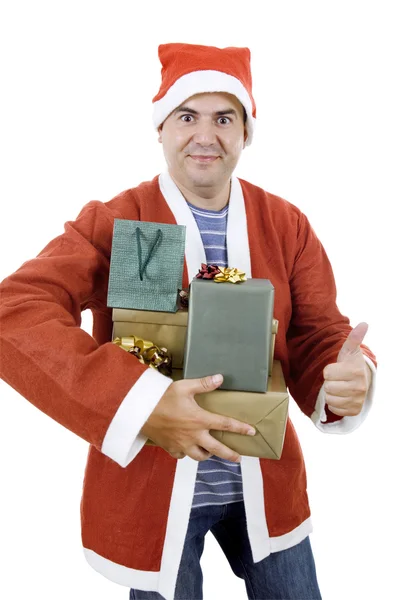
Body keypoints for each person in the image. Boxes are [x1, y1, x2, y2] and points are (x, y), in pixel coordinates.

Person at [0, 43, 377, 600]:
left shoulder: (286, 224)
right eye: (187, 116)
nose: (206, 135)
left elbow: (319, 334)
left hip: (266, 484)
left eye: (224, 118)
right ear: (161, 128)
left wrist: (344, 379)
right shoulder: (119, 219)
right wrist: (141, 400)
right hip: (151, 491)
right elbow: (15, 313)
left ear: (246, 131)